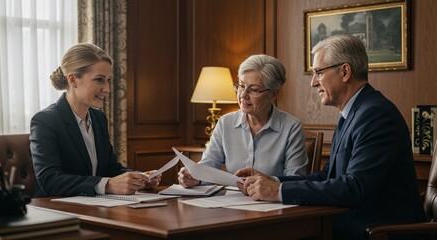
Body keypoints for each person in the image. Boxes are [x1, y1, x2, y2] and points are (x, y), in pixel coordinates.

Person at [235, 35, 426, 240]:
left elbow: (354, 188)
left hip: (378, 231)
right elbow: (329, 176)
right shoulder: (354, 112)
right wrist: (271, 180)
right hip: (349, 224)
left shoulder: (376, 115)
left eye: (318, 72)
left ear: (345, 72)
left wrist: (277, 191)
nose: (313, 82)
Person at [30, 43, 161, 197]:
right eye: (99, 80)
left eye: (108, 80)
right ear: (72, 80)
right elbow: (50, 180)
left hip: (94, 208)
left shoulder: (98, 118)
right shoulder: (45, 121)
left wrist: (138, 178)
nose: (107, 89)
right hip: (58, 212)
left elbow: (110, 169)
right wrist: (107, 185)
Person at [178, 54, 308, 187]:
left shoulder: (292, 127)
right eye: (241, 86)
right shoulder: (225, 123)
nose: (243, 95)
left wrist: (267, 182)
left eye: (254, 90)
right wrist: (194, 176)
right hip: (231, 203)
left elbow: (295, 180)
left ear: (273, 94)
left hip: (272, 203)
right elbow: (208, 165)